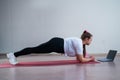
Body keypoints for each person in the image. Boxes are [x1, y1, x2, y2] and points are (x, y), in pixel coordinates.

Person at [7, 30, 95, 65]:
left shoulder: (79, 43)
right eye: (90, 40)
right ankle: (13, 55)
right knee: (34, 50)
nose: (91, 41)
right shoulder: (79, 43)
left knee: (34, 49)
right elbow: (81, 60)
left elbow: (80, 57)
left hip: (56, 43)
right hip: (56, 44)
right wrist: (90, 59)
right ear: (86, 39)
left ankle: (13, 55)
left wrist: (87, 58)